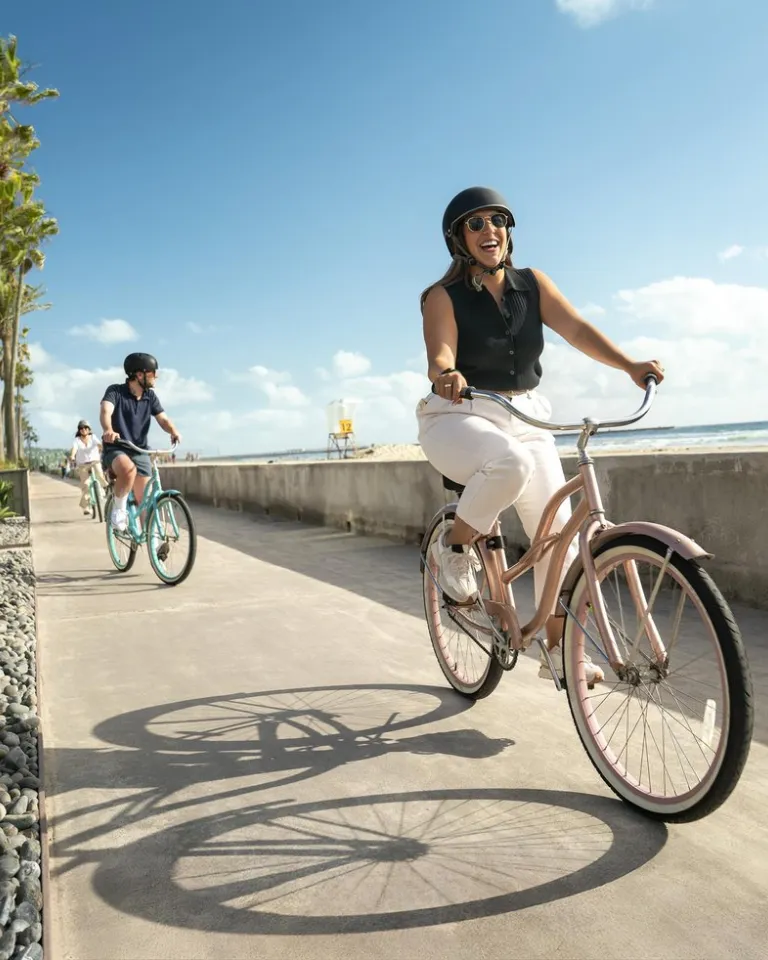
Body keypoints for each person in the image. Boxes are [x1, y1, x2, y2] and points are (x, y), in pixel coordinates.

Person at [417, 186, 665, 685]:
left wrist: (629, 365)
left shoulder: (532, 285)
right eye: (477, 224)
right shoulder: (442, 297)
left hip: (526, 412)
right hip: (459, 411)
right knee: (509, 464)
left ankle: (556, 650)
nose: (491, 230)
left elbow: (576, 329)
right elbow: (440, 354)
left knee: (558, 540)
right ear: (459, 240)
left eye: (499, 221)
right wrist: (446, 372)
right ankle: (456, 551)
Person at [100, 352, 181, 531]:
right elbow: (106, 411)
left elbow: (163, 420)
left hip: (140, 450)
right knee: (128, 470)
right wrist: (108, 430)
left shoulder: (149, 397)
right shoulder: (115, 391)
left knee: (145, 500)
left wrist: (173, 431)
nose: (156, 376)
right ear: (139, 375)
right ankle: (119, 510)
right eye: (152, 373)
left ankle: (155, 543)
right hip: (117, 448)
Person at [68, 420, 107, 515]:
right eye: (81, 428)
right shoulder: (77, 440)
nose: (83, 430)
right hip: (83, 465)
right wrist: (72, 456)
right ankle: (86, 507)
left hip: (95, 462)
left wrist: (103, 448)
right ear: (79, 430)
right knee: (85, 485)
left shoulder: (93, 437)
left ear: (89, 429)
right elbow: (74, 448)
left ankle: (106, 490)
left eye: (85, 428)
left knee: (100, 476)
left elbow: (99, 445)